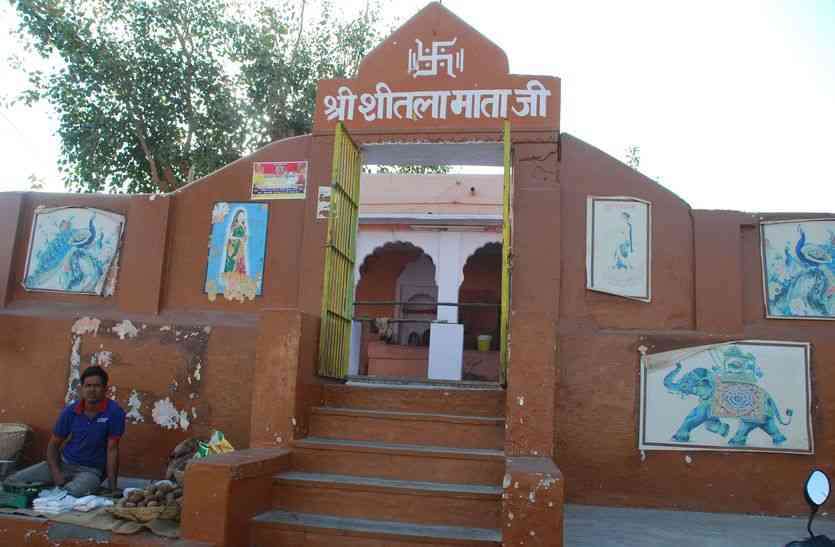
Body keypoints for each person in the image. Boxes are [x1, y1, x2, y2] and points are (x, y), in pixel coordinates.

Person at [4, 366, 126, 497]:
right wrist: (56, 473)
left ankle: (53, 492)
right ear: (82, 388)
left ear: (105, 389)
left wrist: (112, 487)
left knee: (70, 494)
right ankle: (49, 490)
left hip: (91, 471)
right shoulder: (70, 411)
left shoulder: (114, 412)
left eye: (97, 386)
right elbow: (53, 445)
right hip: (63, 463)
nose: (92, 390)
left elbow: (112, 450)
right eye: (88, 386)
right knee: (12, 481)